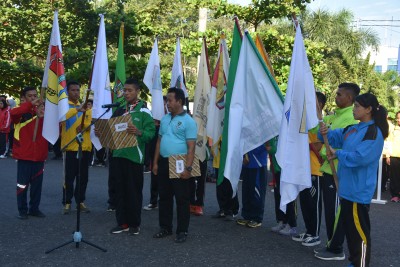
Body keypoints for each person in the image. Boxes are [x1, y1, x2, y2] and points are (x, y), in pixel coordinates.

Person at [319, 92, 388, 267]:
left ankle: (360, 264)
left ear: (369, 109)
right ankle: (354, 262)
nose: (354, 110)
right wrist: (323, 131)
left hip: (358, 191)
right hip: (346, 189)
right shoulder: (353, 129)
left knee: (360, 234)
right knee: (351, 232)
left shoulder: (374, 132)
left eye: (357, 106)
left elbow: (360, 158)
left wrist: (338, 153)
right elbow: (333, 137)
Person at [103, 78, 155, 235]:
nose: (126, 93)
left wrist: (139, 132)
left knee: (133, 191)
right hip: (118, 155)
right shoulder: (119, 110)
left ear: (137, 92)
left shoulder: (144, 111)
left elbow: (151, 133)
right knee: (119, 191)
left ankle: (134, 224)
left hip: (134, 157)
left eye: (129, 90)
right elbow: (111, 131)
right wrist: (103, 133)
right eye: (124, 90)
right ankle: (122, 223)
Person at [314, 82, 360, 261]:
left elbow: (343, 143)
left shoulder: (351, 118)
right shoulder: (333, 116)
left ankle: (336, 248)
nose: (336, 96)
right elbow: (322, 135)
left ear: (349, 97)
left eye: (340, 94)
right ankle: (331, 243)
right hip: (327, 168)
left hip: (338, 170)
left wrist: (325, 152)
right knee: (330, 210)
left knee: (336, 211)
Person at [152, 87, 197, 243]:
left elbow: (191, 147)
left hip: (180, 162)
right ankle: (165, 227)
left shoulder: (188, 121)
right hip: (164, 161)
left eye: (170, 100)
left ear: (179, 101)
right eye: (166, 100)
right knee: (164, 197)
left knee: (182, 198)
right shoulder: (164, 119)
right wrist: (155, 162)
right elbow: (159, 141)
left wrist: (188, 168)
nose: (167, 103)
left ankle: (182, 230)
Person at [292, 92, 326, 247]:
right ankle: (308, 230)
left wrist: (302, 143)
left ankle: (315, 234)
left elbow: (319, 146)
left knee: (314, 204)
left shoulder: (319, 123)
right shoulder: (305, 121)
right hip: (302, 169)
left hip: (315, 169)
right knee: (305, 202)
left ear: (320, 105)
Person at [11, 87, 47, 219]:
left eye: (35, 95)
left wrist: (42, 115)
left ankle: (34, 209)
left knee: (37, 186)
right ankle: (22, 210)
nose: (33, 98)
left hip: (39, 155)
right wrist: (30, 106)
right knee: (22, 185)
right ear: (24, 98)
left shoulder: (43, 112)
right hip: (24, 155)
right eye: (30, 96)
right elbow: (13, 114)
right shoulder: (19, 112)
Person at [61, 81, 92, 214]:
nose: (76, 92)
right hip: (70, 148)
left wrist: (85, 127)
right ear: (68, 91)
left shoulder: (86, 108)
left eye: (78, 90)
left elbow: (90, 124)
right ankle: (67, 202)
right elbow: (61, 119)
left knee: (83, 177)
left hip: (84, 148)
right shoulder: (64, 107)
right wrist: (77, 110)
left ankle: (80, 201)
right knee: (69, 177)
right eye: (73, 90)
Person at [268, 137, 298, 236]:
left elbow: (290, 146)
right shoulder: (274, 130)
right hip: (277, 168)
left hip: (287, 168)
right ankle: (282, 221)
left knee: (289, 195)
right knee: (278, 195)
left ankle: (292, 225)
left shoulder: (288, 126)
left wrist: (273, 149)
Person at [143, 96, 168, 211]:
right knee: (155, 175)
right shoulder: (151, 118)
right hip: (155, 150)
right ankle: (153, 201)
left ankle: (166, 201)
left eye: (164, 104)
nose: (162, 107)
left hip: (168, 152)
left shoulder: (170, 117)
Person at [236, 144, 267, 228]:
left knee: (257, 192)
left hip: (258, 162)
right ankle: (247, 215)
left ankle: (257, 218)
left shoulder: (262, 130)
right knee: (247, 190)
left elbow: (265, 142)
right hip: (247, 162)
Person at [386, 111, 400, 202]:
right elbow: (389, 142)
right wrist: (387, 155)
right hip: (394, 156)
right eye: (398, 118)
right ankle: (395, 195)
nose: (399, 120)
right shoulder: (394, 129)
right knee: (394, 176)